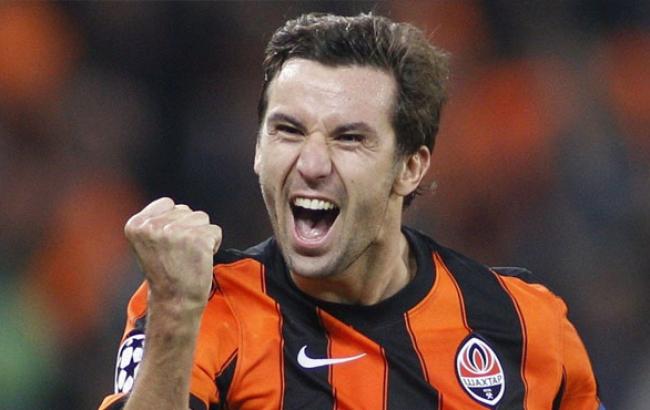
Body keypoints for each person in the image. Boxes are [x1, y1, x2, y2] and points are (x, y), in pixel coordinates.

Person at [99, 12, 603, 410]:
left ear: (410, 167)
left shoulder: (523, 323)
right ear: (257, 150)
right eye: (288, 131)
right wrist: (174, 313)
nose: (312, 164)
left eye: (349, 138)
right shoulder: (200, 306)